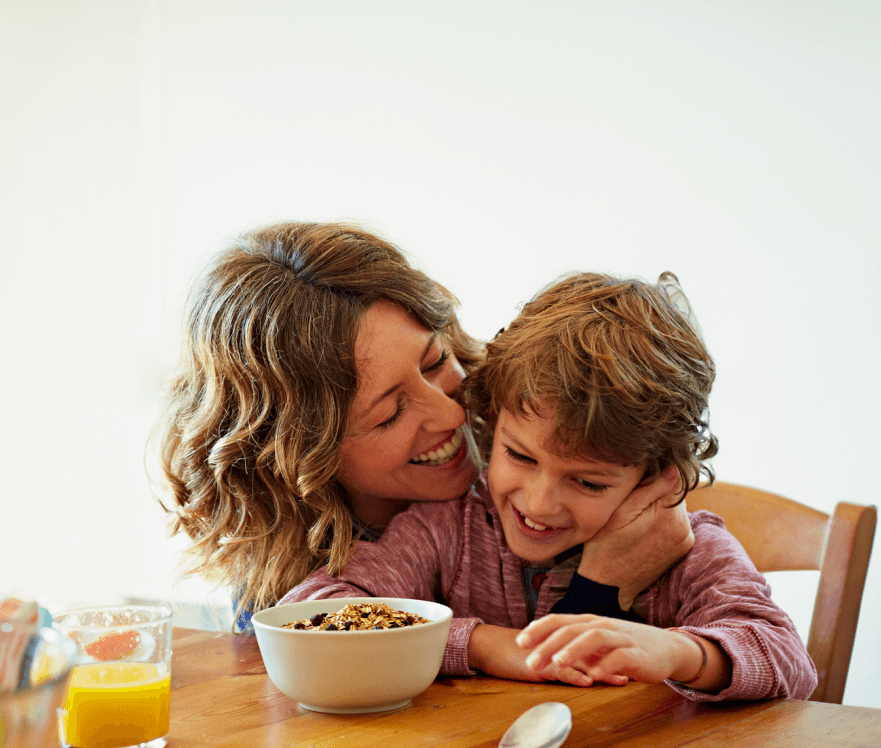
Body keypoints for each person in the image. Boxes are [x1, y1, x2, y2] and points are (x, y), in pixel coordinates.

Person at [281, 272, 817, 700]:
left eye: (586, 481)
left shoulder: (688, 550)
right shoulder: (449, 528)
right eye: (518, 455)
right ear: (493, 422)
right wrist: (483, 645)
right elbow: (318, 609)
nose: (539, 502)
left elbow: (790, 662)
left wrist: (682, 654)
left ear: (654, 477)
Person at [156, 221, 692, 632]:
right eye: (389, 413)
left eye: (435, 361)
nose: (452, 414)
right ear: (299, 453)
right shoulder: (291, 592)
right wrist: (595, 594)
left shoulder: (539, 458)